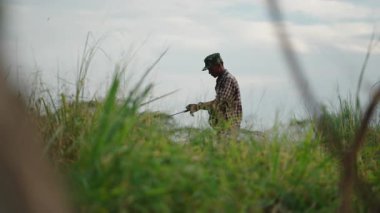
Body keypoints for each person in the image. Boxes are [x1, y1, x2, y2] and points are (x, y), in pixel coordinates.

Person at [186, 53, 242, 140]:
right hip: (223, 127)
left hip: (229, 128)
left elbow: (218, 103)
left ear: (219, 65)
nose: (209, 72)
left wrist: (198, 106)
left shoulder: (228, 79)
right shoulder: (221, 79)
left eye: (210, 69)